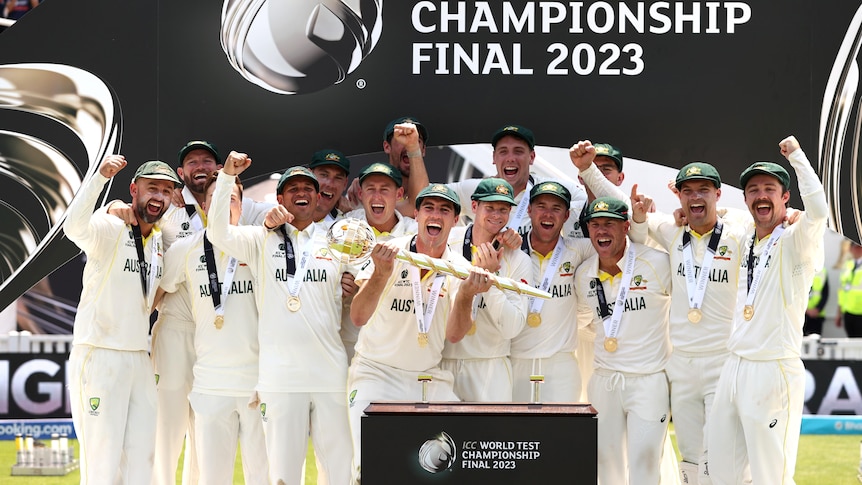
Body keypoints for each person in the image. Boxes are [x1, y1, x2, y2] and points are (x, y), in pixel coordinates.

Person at [208, 153, 355, 485]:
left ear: (319, 198)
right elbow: (217, 232)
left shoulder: (338, 241)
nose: (301, 193)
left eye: (308, 188)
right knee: (283, 477)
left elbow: (362, 289)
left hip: (330, 374)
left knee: (339, 472)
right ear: (280, 198)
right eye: (293, 189)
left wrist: (357, 286)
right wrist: (228, 177)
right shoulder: (259, 238)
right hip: (280, 378)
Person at [346, 183, 494, 483]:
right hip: (376, 373)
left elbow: (453, 335)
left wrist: (466, 294)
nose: (435, 215)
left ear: (455, 221)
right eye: (429, 208)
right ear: (417, 214)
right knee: (371, 464)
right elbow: (359, 316)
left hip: (427, 378)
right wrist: (380, 274)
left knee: (458, 457)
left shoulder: (460, 267)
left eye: (444, 210)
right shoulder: (390, 250)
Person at [708, 136, 828, 485]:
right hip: (734, 366)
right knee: (723, 473)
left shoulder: (797, 239)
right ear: (745, 198)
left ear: (785, 196)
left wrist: (797, 157)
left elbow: (819, 211)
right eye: (753, 189)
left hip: (773, 368)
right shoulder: (746, 236)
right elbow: (717, 215)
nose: (761, 195)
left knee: (770, 476)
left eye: (770, 188)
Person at [629, 162, 750, 483]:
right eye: (688, 191)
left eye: (704, 190)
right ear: (678, 197)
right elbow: (633, 217)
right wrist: (588, 172)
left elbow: (765, 217)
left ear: (718, 194)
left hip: (721, 362)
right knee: (691, 453)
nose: (696, 197)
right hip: (680, 365)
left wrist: (723, 212)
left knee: (721, 449)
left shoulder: (738, 234)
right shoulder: (671, 231)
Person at [65, 156, 181, 485]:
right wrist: (101, 180)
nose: (158, 197)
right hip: (99, 352)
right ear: (134, 189)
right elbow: (73, 228)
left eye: (166, 191)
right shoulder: (110, 227)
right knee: (103, 465)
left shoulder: (160, 239)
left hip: (138, 357)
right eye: (152, 188)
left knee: (142, 462)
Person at [156, 172, 268, 484]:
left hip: (257, 385)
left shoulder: (260, 243)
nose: (225, 204)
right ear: (206, 205)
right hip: (210, 385)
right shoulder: (185, 249)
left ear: (241, 206)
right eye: (219, 197)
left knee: (264, 477)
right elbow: (156, 294)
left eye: (232, 198)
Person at [574, 196, 672, 485]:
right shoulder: (584, 275)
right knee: (606, 465)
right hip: (604, 379)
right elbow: (583, 320)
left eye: (610, 224)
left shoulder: (657, 262)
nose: (602, 231)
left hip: (648, 380)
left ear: (626, 227)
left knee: (645, 462)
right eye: (595, 225)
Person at [442, 178, 531, 401]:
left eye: (503, 209)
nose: (496, 215)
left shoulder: (518, 258)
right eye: (489, 207)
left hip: (490, 366)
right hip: (443, 360)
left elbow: (512, 328)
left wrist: (489, 281)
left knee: (490, 436)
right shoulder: (446, 242)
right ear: (474, 207)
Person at [509, 181, 595, 402]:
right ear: (529, 210)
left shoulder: (579, 250)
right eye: (541, 206)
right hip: (515, 361)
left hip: (562, 367)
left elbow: (616, 238)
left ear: (567, 216)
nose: (548, 214)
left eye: (556, 208)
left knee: (560, 437)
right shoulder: (510, 252)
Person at [340, 162, 418, 363]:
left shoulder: (415, 233)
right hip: (354, 346)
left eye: (384, 189)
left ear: (399, 194)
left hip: (399, 348)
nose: (377, 196)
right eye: (370, 189)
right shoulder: (343, 228)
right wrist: (337, 282)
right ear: (361, 193)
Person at [308, 148, 350, 224]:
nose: (330, 184)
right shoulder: (283, 211)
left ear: (345, 184)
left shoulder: (345, 228)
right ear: (309, 175)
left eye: (338, 178)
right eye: (324, 175)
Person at [838, 242, 862, 337]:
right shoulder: (848, 265)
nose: (858, 249)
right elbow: (842, 290)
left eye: (859, 247)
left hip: (860, 313)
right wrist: (839, 313)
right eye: (855, 247)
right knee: (851, 341)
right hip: (848, 312)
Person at [805, 266, 829, 336]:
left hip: (817, 315)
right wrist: (806, 310)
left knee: (815, 341)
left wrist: (818, 309)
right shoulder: (798, 269)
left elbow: (825, 294)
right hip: (802, 314)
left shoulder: (822, 271)